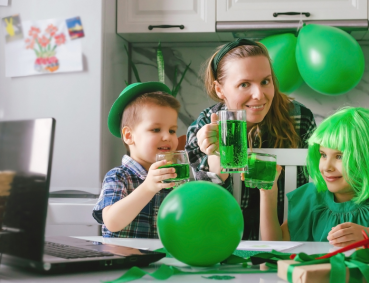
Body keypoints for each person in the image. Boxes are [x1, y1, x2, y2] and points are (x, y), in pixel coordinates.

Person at [185, 38, 317, 240]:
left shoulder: (300, 118)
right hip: (223, 244)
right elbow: (200, 209)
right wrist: (215, 159)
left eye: (265, 81)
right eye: (244, 84)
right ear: (220, 89)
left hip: (287, 243)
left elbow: (308, 195)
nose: (259, 95)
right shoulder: (205, 125)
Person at [260, 107, 369, 247]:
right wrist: (268, 192)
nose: (327, 167)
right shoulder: (310, 197)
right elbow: (275, 245)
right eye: (323, 155)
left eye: (339, 156)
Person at [92, 82, 181, 238]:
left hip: (160, 259)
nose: (167, 137)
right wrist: (148, 187)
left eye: (172, 130)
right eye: (156, 129)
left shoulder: (171, 179)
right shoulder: (119, 176)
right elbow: (112, 222)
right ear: (129, 136)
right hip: (121, 260)